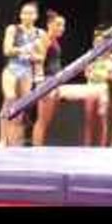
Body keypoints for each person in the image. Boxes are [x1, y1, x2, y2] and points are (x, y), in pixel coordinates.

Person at [0, 2, 44, 147]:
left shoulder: (39, 33)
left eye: (30, 13)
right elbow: (7, 50)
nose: (27, 16)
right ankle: (2, 140)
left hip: (27, 70)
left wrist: (32, 56)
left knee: (21, 107)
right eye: (24, 13)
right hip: (12, 68)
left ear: (36, 16)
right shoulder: (13, 29)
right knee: (10, 98)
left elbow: (40, 57)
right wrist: (25, 49)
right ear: (20, 15)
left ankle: (15, 141)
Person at [32, 10, 66, 147]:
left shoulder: (55, 41)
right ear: (49, 24)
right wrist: (40, 83)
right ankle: (36, 149)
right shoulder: (45, 39)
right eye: (58, 25)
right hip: (46, 82)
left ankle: (39, 147)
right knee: (42, 120)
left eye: (63, 25)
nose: (61, 28)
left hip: (53, 82)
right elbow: (38, 62)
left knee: (46, 120)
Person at [84, 27, 112, 147]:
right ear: (93, 43)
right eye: (96, 42)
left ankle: (102, 147)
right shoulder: (89, 56)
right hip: (90, 86)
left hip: (103, 88)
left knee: (102, 118)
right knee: (89, 118)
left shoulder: (111, 57)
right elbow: (86, 73)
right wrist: (92, 72)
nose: (98, 44)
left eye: (101, 42)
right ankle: (87, 146)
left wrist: (105, 73)